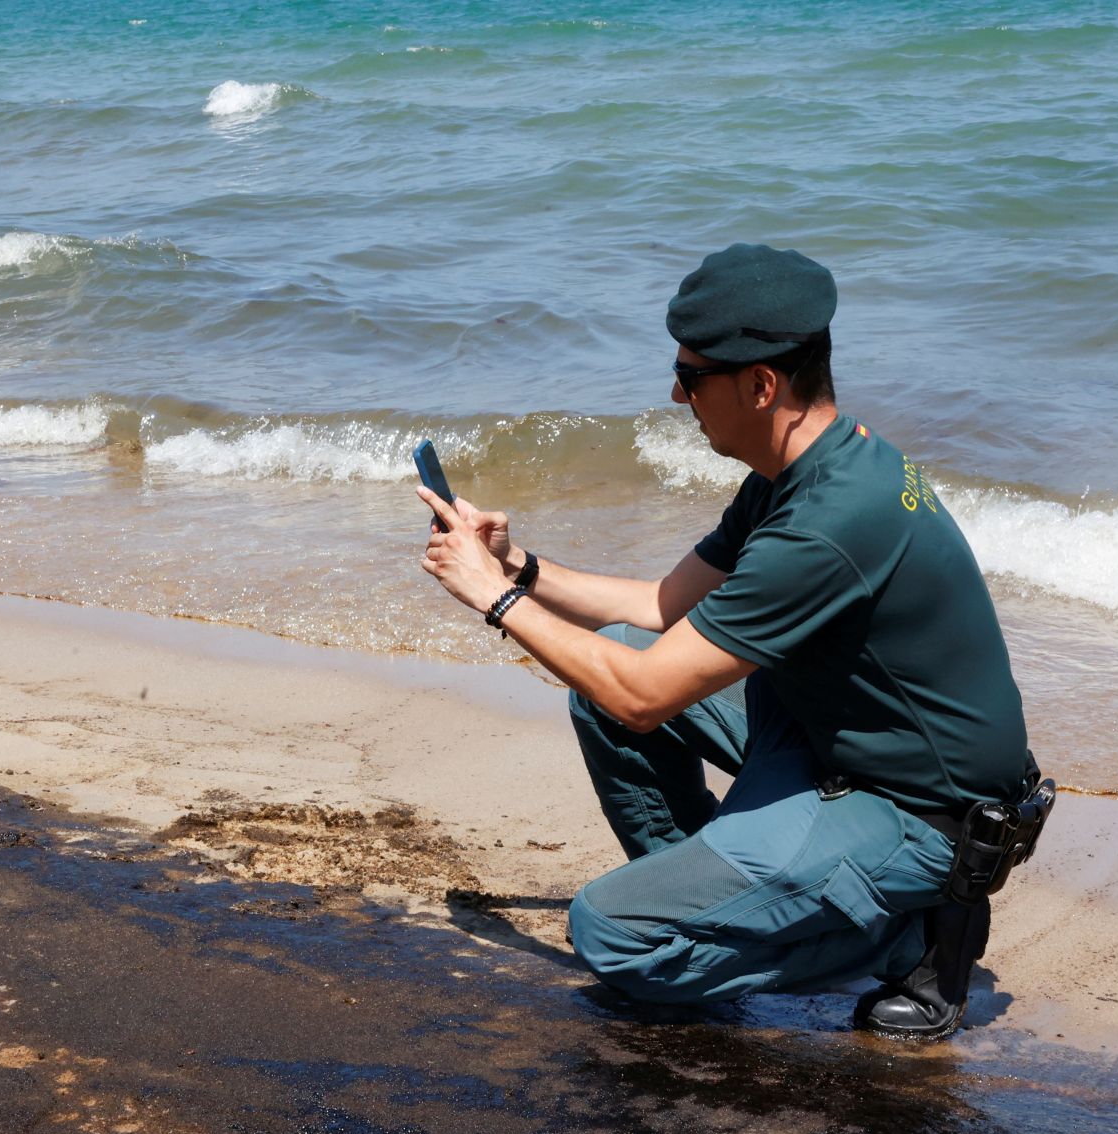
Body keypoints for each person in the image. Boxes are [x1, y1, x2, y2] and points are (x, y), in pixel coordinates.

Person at [418, 243, 1032, 1039]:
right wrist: (518, 565)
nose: (676, 394)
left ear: (762, 383)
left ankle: (908, 933)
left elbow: (646, 698)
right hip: (841, 741)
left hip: (924, 814)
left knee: (611, 934)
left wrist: (492, 597)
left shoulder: (828, 524)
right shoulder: (802, 471)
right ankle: (732, 899)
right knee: (611, 666)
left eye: (692, 376)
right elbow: (660, 604)